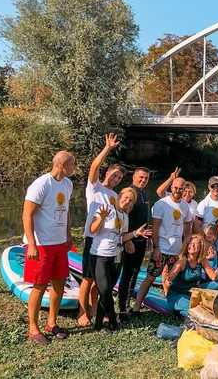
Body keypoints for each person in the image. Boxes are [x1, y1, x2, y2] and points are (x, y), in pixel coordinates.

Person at [22, 150, 75, 345]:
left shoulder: (68, 184)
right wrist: (32, 245)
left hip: (59, 243)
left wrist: (68, 235)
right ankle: (33, 327)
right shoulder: (42, 184)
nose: (74, 168)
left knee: (60, 282)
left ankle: (51, 322)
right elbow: (27, 215)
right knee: (40, 284)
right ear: (62, 164)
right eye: (72, 164)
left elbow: (66, 210)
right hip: (42, 245)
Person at [79, 133, 125, 327]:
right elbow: (94, 167)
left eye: (119, 177)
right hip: (92, 238)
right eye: (114, 175)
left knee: (100, 281)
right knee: (88, 278)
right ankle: (82, 314)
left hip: (109, 243)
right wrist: (107, 148)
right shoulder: (95, 188)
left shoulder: (115, 195)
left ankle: (94, 309)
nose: (115, 179)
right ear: (107, 173)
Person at [89, 188, 151, 334]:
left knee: (108, 290)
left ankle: (98, 324)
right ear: (120, 196)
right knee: (104, 290)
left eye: (131, 200)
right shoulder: (105, 209)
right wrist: (101, 219)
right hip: (99, 255)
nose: (127, 201)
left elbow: (121, 238)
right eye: (126, 197)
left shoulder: (125, 216)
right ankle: (112, 321)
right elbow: (92, 230)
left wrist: (136, 233)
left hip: (116, 256)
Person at [131, 177, 192, 316]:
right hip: (162, 248)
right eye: (175, 187)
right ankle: (136, 307)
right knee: (151, 277)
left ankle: (173, 307)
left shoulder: (185, 206)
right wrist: (156, 247)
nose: (178, 190)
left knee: (173, 280)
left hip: (176, 251)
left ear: (184, 189)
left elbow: (187, 225)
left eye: (181, 188)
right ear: (171, 187)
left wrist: (184, 246)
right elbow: (156, 227)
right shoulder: (161, 204)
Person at [117, 166, 151, 319]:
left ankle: (128, 304)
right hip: (129, 239)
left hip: (141, 239)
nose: (143, 180)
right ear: (134, 177)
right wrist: (127, 240)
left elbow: (144, 218)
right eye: (141, 177)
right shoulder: (129, 193)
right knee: (127, 273)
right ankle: (122, 308)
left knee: (135, 272)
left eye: (146, 178)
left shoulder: (144, 194)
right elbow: (123, 216)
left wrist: (148, 238)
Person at [163, 234, 218, 314]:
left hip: (193, 292)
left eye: (196, 244)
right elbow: (168, 279)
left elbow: (213, 277)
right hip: (177, 295)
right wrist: (167, 282)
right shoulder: (182, 262)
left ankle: (199, 304)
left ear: (201, 247)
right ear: (187, 245)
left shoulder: (202, 260)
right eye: (190, 243)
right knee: (192, 306)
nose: (192, 245)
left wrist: (216, 275)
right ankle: (182, 311)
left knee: (215, 285)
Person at [157, 167, 197, 234]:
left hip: (185, 233)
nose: (187, 194)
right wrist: (171, 179)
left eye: (190, 192)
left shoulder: (194, 204)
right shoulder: (173, 197)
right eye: (186, 191)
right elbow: (159, 192)